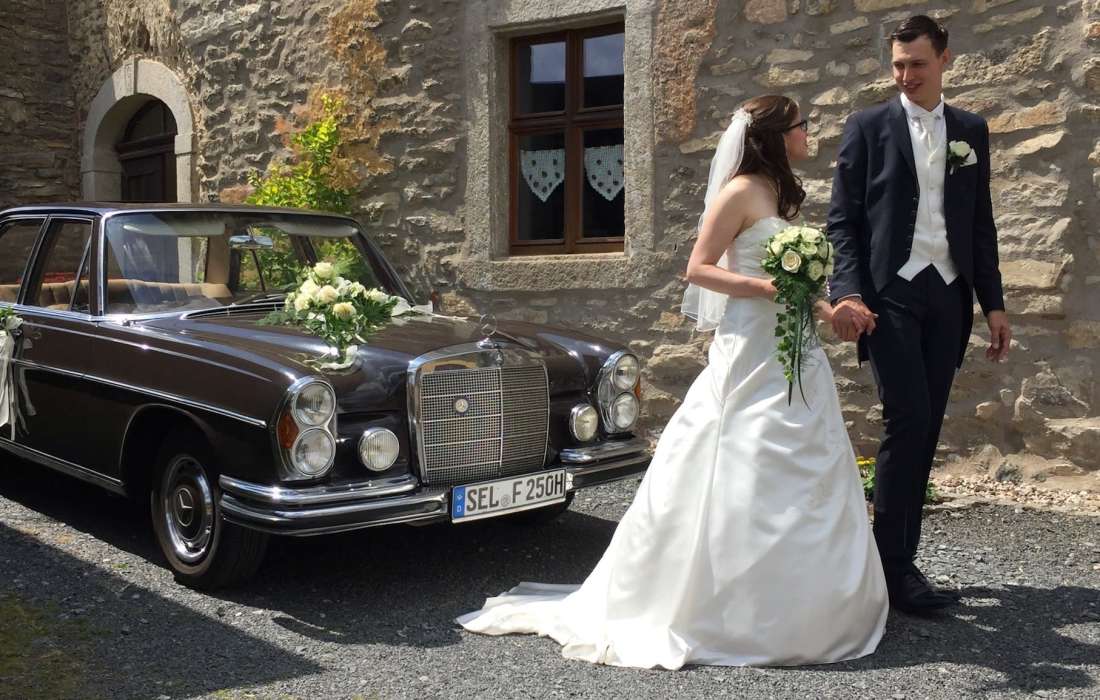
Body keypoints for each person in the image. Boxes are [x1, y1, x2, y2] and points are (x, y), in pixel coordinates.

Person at [457, 95, 889, 669]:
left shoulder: (779, 196)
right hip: (750, 350)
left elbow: (797, 287)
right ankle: (717, 605)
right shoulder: (739, 191)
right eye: (801, 125)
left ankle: (811, 603)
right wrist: (766, 288)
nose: (809, 133)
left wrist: (830, 311)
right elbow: (699, 268)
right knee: (738, 459)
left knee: (808, 458)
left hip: (795, 351)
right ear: (775, 135)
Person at [827, 15, 1010, 615]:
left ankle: (900, 561)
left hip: (949, 294)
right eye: (898, 65)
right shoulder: (867, 126)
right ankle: (892, 569)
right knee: (907, 418)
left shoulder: (971, 130)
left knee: (927, 425)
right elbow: (843, 222)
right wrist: (849, 292)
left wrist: (993, 303)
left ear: (944, 60)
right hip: (889, 297)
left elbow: (979, 222)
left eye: (918, 64)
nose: (906, 76)